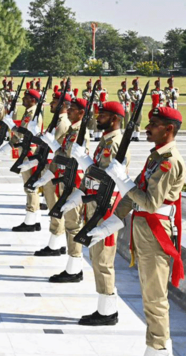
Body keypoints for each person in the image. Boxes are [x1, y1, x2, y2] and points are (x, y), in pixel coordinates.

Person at [88, 107, 184, 356]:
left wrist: (124, 181)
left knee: (155, 301)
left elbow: (150, 202)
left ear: (168, 129)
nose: (147, 128)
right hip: (144, 234)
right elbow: (133, 196)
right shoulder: (157, 157)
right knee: (151, 298)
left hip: (156, 236)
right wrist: (110, 224)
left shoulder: (169, 161)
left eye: (154, 125)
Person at [59, 101, 129, 325]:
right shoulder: (106, 139)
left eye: (103, 115)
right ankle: (104, 308)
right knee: (97, 258)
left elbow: (111, 177)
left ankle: (108, 312)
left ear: (115, 119)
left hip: (105, 207)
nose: (98, 117)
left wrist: (86, 162)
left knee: (103, 261)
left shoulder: (116, 142)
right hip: (95, 202)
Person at [32, 87, 71, 255]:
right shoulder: (56, 121)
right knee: (52, 204)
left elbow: (53, 145)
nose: (51, 104)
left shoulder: (62, 123)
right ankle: (58, 241)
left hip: (55, 170)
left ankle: (55, 244)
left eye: (54, 102)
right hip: (51, 166)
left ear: (63, 105)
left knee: (54, 205)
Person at [2, 87, 44, 232]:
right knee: (31, 186)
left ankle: (30, 221)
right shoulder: (29, 112)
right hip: (26, 150)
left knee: (30, 186)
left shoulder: (33, 113)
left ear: (33, 100)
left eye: (26, 98)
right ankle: (35, 219)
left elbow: (27, 132)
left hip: (29, 152)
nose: (23, 100)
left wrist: (12, 127)